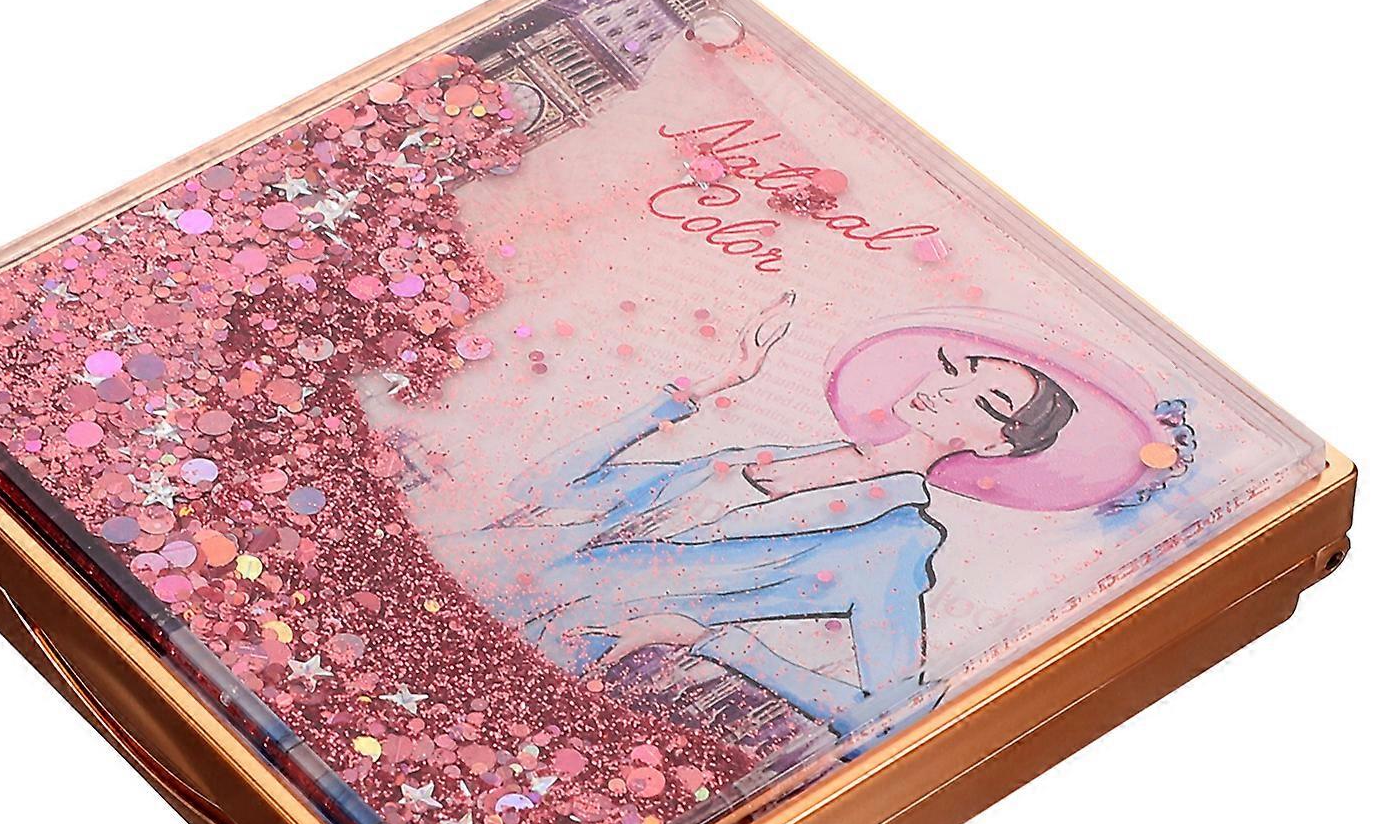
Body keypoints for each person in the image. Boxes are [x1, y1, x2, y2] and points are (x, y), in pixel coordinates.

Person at [444, 294, 1079, 739]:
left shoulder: (895, 540)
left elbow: (891, 718)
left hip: (522, 666)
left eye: (986, 403)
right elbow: (545, 488)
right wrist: (713, 384)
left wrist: (709, 639)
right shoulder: (765, 456)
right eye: (958, 371)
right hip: (464, 575)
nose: (944, 390)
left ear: (996, 447)